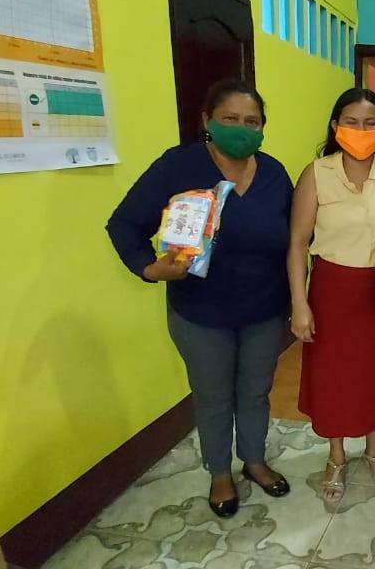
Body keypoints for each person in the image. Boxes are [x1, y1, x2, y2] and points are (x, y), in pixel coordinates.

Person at [106, 79, 294, 518]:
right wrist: (150, 268)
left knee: (255, 392)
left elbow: (296, 236)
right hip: (200, 314)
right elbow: (123, 224)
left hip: (264, 311)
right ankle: (219, 472)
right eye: (231, 119)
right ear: (207, 120)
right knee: (213, 396)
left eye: (252, 122)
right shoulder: (178, 166)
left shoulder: (274, 174)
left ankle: (254, 460)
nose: (242, 129)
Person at [287, 88, 375, 505]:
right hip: (331, 290)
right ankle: (336, 456)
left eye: (369, 123)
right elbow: (297, 243)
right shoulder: (316, 174)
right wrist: (299, 303)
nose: (361, 130)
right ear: (335, 126)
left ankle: (373, 450)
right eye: (351, 122)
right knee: (333, 377)